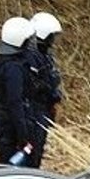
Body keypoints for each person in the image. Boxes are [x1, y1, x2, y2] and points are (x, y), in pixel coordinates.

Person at [0, 17, 40, 167]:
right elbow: (15, 102)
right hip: (11, 126)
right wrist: (23, 136)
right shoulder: (14, 68)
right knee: (16, 168)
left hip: (4, 121)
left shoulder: (1, 60)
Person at [26, 12, 63, 166]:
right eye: (51, 36)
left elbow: (51, 80)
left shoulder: (45, 55)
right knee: (31, 151)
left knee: (38, 151)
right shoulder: (30, 56)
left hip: (43, 109)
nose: (53, 40)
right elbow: (35, 85)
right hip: (34, 111)